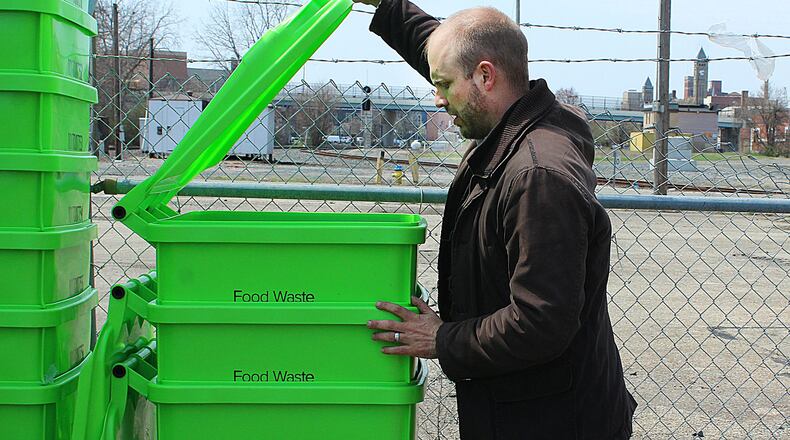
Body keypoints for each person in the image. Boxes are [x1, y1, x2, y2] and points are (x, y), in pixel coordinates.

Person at [361, 1, 637, 438]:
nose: (437, 97)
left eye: (443, 85)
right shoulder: (526, 114)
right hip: (530, 406)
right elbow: (458, 52)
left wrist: (442, 339)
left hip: (555, 422)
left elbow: (541, 322)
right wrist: (389, 7)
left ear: (486, 76)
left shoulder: (538, 178)